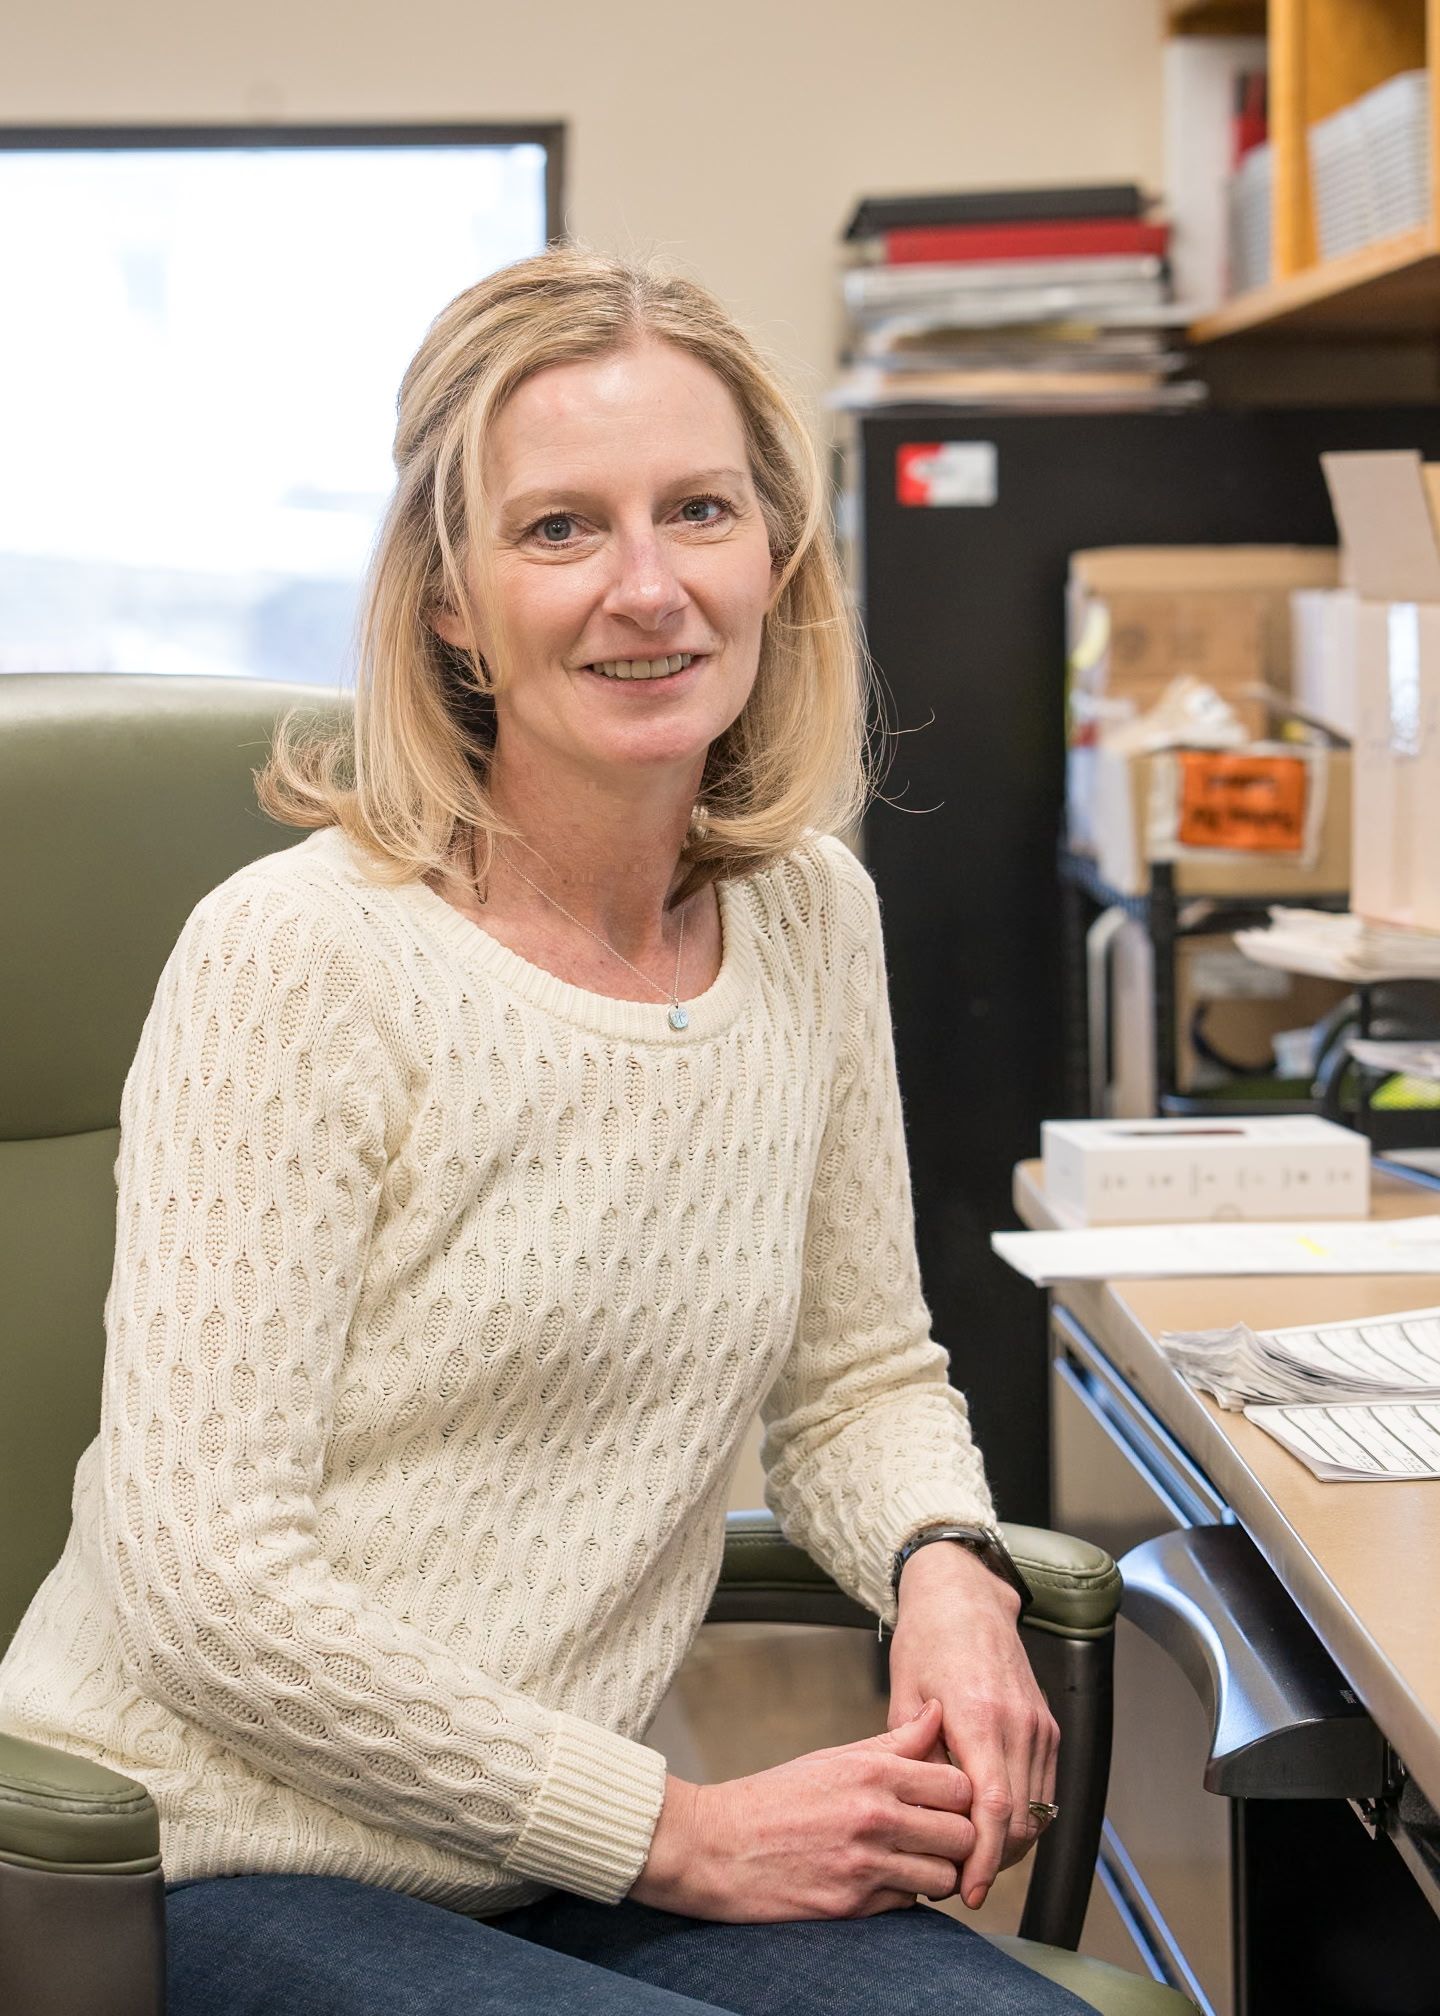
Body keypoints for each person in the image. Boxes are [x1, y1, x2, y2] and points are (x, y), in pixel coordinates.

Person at [0, 247, 1084, 2014]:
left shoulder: (812, 916)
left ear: (778, 552)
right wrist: (679, 1833)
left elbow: (856, 1375)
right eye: (562, 528)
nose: (648, 590)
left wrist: (944, 1567)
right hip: (205, 1849)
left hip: (556, 1854)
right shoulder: (299, 958)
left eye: (699, 510)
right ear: (451, 602)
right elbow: (209, 1587)